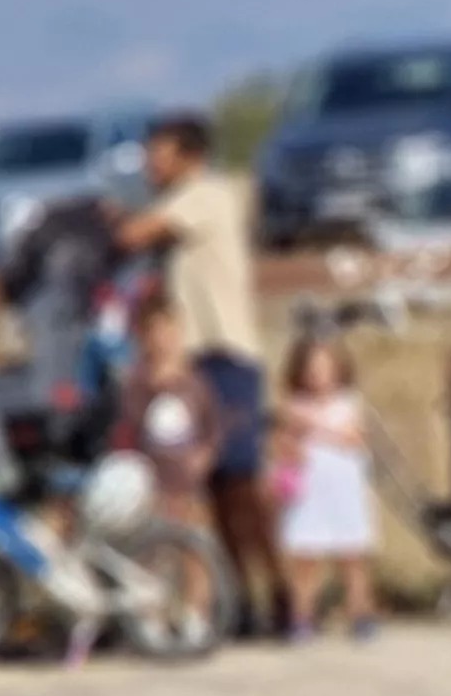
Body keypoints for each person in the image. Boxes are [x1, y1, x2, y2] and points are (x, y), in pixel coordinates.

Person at [118, 111, 277, 629]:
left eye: (157, 155)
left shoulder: (208, 195)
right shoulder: (184, 201)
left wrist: (103, 219)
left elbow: (138, 234)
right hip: (192, 360)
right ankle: (237, 599)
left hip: (224, 352)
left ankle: (275, 591)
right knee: (206, 487)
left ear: (190, 156)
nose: (149, 165)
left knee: (240, 482)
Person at [273, 328, 383, 641]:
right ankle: (302, 617)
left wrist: (317, 429)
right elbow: (283, 445)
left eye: (324, 368)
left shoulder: (349, 404)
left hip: (344, 492)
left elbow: (356, 439)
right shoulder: (292, 407)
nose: (318, 376)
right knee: (307, 559)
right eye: (311, 369)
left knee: (353, 557)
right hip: (310, 493)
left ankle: (361, 612)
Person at [112, 297, 223, 535]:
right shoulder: (135, 384)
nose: (162, 339)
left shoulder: (195, 382)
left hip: (190, 489)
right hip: (152, 489)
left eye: (168, 330)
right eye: (155, 331)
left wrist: (204, 456)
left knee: (195, 551)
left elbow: (213, 428)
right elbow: (129, 430)